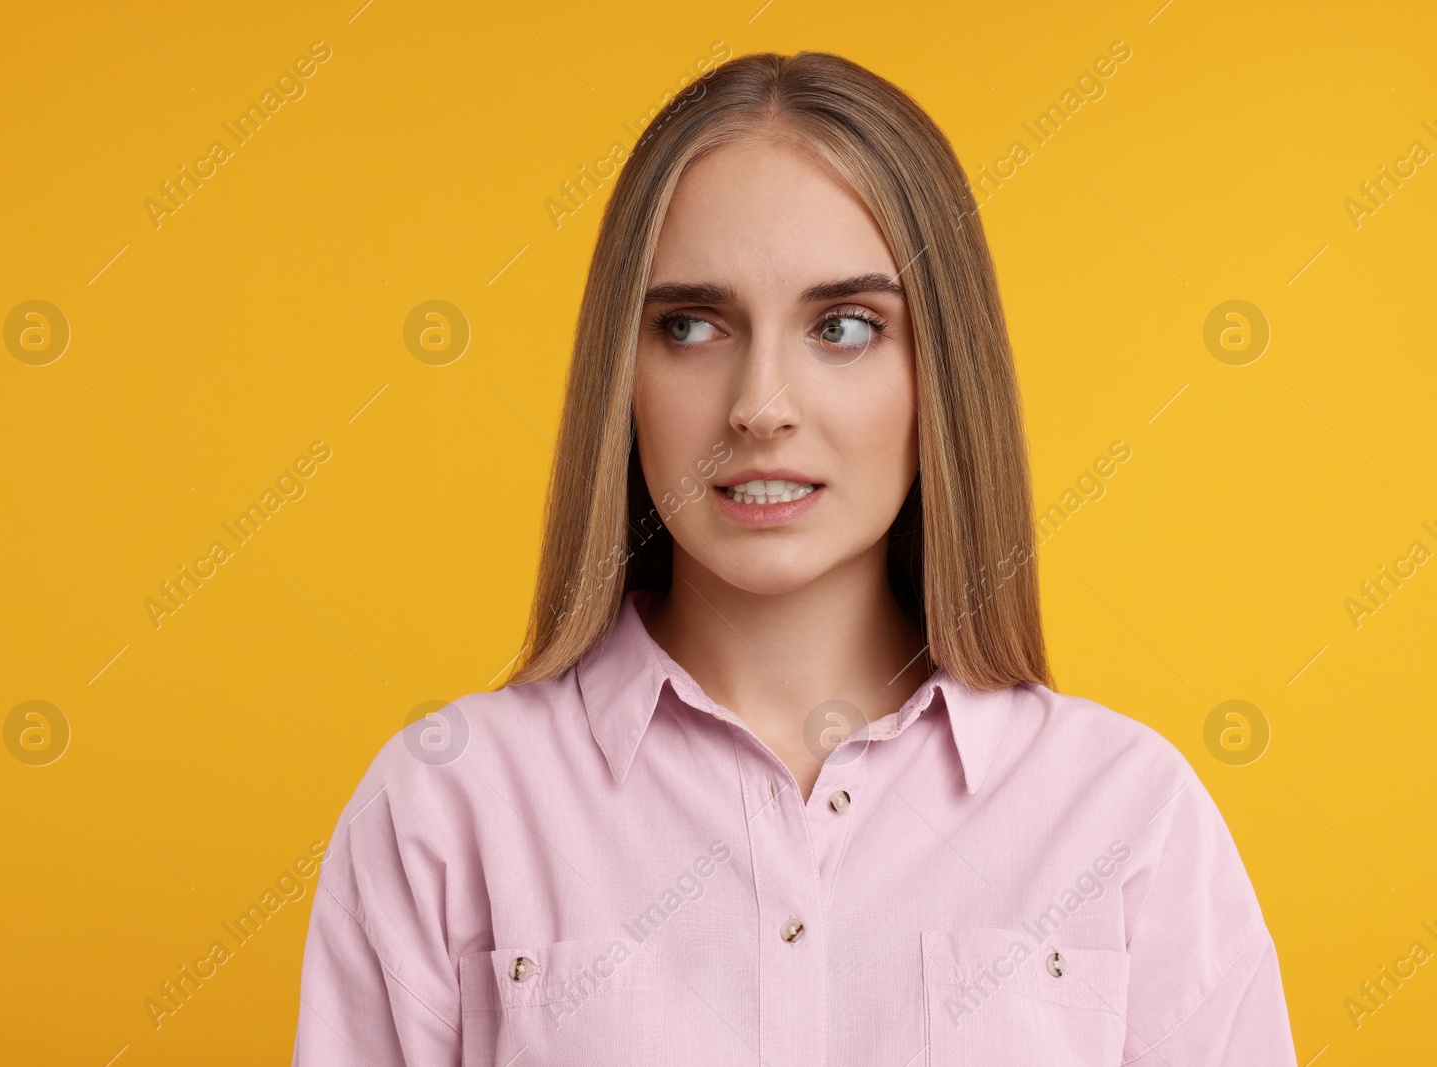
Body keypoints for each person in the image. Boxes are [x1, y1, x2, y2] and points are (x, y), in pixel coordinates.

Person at [292, 50, 1295, 1066]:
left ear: (940, 372)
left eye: (845, 326)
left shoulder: (1127, 818)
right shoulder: (445, 808)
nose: (760, 404)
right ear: (621, 374)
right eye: (690, 325)